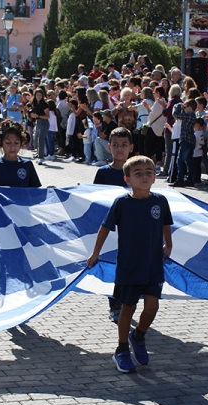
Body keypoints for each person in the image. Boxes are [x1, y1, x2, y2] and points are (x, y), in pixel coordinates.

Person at [87, 156, 173, 373]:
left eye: (148, 172)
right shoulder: (122, 203)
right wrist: (95, 253)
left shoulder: (160, 201)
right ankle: (122, 349)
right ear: (127, 179)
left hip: (153, 264)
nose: (144, 176)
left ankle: (138, 336)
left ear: (155, 176)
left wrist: (168, 244)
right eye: (138, 173)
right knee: (128, 307)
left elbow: (166, 223)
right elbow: (105, 228)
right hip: (129, 266)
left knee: (152, 307)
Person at [93, 127, 133, 324]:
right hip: (111, 230)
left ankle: (128, 303)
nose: (120, 149)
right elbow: (94, 198)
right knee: (113, 268)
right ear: (109, 147)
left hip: (132, 231)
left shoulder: (137, 170)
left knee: (130, 269)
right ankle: (114, 305)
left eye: (124, 145)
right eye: (115, 145)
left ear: (131, 148)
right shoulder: (103, 173)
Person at [0, 120, 41, 187]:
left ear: (21, 143)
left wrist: (49, 191)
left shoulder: (27, 165)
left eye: (16, 143)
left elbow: (36, 192)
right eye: (8, 143)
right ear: (0, 142)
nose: (12, 147)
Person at [170, 99, 197, 188]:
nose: (184, 108)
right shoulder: (191, 115)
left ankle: (180, 180)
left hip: (186, 140)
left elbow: (176, 114)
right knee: (189, 161)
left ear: (190, 107)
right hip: (190, 141)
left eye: (186, 107)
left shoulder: (189, 115)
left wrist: (177, 106)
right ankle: (190, 179)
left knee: (180, 160)